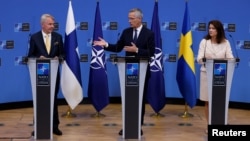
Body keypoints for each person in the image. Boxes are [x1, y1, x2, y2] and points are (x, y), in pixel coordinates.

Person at [93, 8, 155, 136]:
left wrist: (137, 50)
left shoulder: (149, 34)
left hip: (142, 72)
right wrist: (105, 45)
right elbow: (117, 47)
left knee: (139, 100)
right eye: (129, 18)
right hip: (128, 71)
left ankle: (138, 126)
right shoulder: (126, 32)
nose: (129, 21)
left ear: (139, 19)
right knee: (128, 99)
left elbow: (151, 53)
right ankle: (127, 125)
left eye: (132, 18)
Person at [28, 14, 64, 136]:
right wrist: (39, 58)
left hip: (54, 73)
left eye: (53, 24)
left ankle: (54, 126)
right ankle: (38, 126)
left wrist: (57, 58)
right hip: (40, 73)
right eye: (49, 24)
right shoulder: (34, 37)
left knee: (53, 100)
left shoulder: (58, 37)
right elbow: (30, 55)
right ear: (42, 24)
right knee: (40, 100)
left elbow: (63, 55)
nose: (52, 26)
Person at [196, 20, 234, 132]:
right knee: (207, 101)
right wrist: (206, 60)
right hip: (206, 74)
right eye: (209, 28)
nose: (210, 30)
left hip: (220, 76)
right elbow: (199, 59)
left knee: (219, 101)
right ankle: (209, 125)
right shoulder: (204, 42)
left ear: (219, 30)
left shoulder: (226, 43)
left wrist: (227, 61)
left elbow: (231, 58)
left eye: (213, 28)